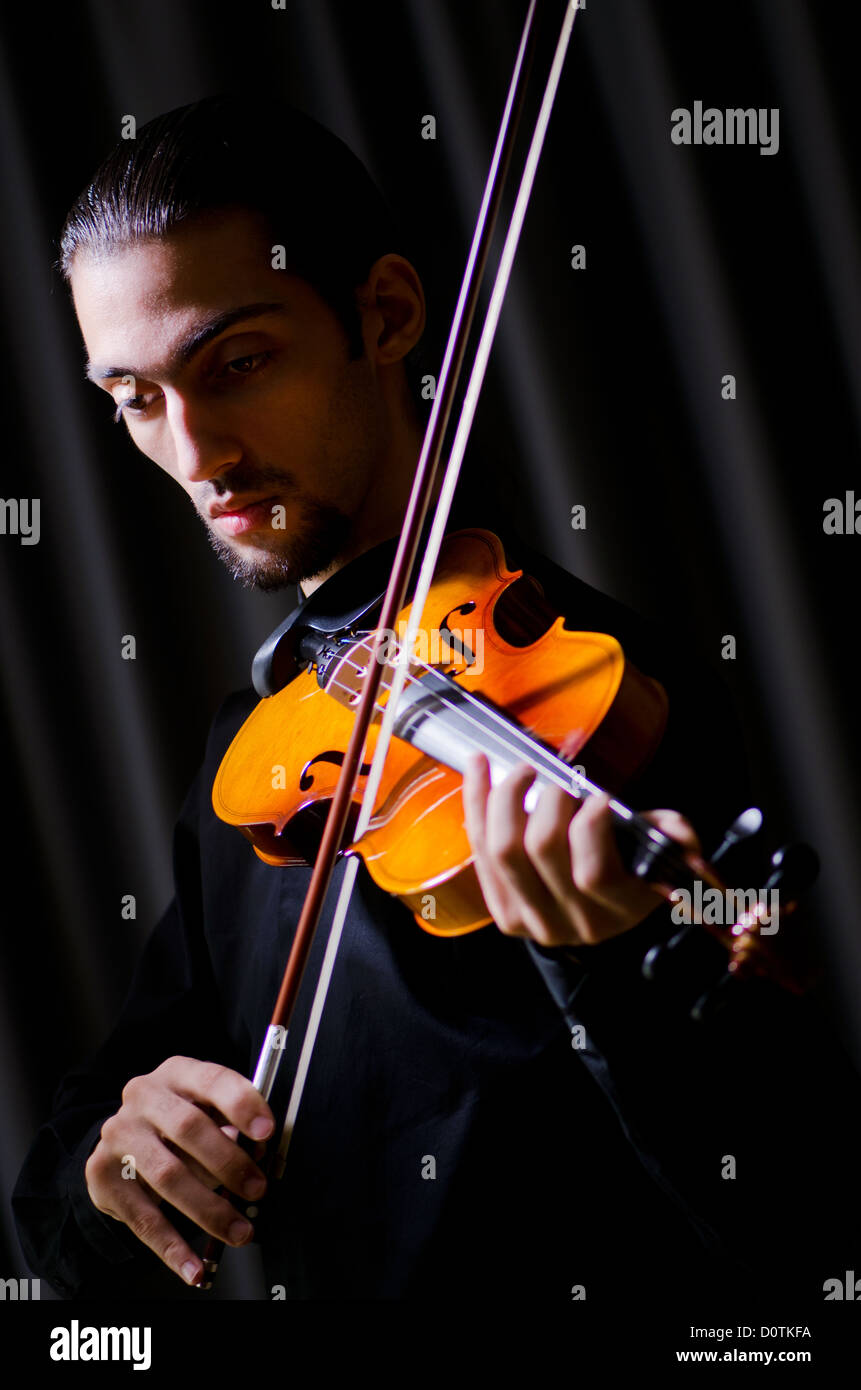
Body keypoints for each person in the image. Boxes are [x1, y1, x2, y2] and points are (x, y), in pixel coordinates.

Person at [13, 95, 861, 1306]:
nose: (197, 454)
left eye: (237, 363)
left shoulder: (594, 689)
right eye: (137, 399)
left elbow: (806, 1224)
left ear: (388, 314)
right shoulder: (256, 764)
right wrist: (118, 1170)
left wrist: (612, 970)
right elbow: (59, 1209)